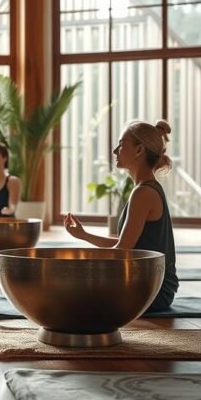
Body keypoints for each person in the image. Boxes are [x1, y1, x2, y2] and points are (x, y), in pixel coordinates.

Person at [63, 119, 179, 312]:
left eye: (121, 144)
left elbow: (122, 251)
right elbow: (127, 246)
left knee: (72, 291)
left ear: (139, 150)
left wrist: (81, 261)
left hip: (152, 291)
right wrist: (84, 236)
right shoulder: (145, 189)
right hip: (149, 285)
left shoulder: (143, 193)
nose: (115, 151)